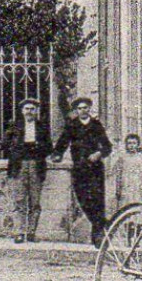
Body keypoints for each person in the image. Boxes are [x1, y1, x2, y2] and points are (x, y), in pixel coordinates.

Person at [51, 96, 113, 245]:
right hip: (79, 168)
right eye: (80, 108)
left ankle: (97, 235)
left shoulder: (96, 125)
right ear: (76, 110)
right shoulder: (72, 125)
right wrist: (57, 154)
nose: (83, 111)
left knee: (97, 200)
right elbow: (62, 143)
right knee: (83, 199)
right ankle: (102, 223)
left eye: (85, 107)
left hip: (95, 168)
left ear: (89, 109)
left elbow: (107, 147)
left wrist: (98, 154)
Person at [3, 97, 52, 243]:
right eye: (26, 109)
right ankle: (19, 232)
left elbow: (49, 147)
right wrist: (16, 150)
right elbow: (4, 144)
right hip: (19, 165)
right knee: (19, 200)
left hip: (36, 165)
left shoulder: (42, 127)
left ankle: (31, 232)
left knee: (35, 201)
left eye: (32, 109)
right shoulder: (14, 126)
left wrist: (38, 147)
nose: (29, 112)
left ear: (36, 111)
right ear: (22, 111)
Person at [113, 133, 142, 210]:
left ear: (138, 144)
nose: (132, 145)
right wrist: (118, 189)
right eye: (129, 143)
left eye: (134, 143)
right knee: (125, 207)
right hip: (125, 187)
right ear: (126, 145)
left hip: (138, 187)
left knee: (138, 207)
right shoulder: (122, 158)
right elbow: (118, 175)